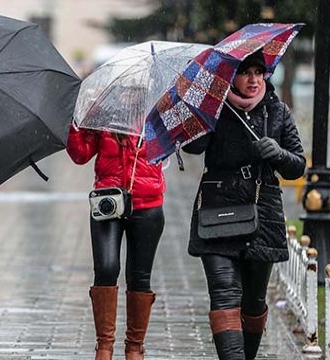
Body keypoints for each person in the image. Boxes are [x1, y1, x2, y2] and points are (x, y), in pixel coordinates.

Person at [183, 50, 305, 360]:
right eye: (245, 72)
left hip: (261, 210)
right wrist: (202, 114)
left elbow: (297, 166)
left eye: (258, 72)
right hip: (218, 206)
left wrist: (276, 152)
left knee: (253, 300)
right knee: (224, 293)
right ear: (231, 76)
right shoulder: (215, 109)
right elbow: (193, 147)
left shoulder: (277, 111)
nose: (253, 79)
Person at [67, 108, 166, 360]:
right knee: (106, 269)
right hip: (108, 201)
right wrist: (75, 124)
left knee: (139, 277)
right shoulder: (103, 112)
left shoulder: (158, 111)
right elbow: (80, 155)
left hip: (148, 204)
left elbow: (174, 145)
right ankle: (104, 346)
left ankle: (135, 348)